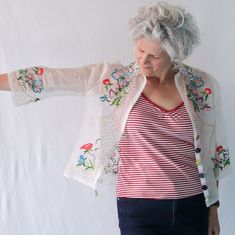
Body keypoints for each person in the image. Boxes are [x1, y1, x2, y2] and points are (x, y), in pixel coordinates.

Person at [0, 1, 231, 235]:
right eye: (140, 50)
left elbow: (213, 151)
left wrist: (213, 209)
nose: (143, 61)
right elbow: (51, 78)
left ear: (175, 53)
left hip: (193, 205)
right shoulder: (115, 80)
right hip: (138, 207)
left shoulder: (202, 86)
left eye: (154, 55)